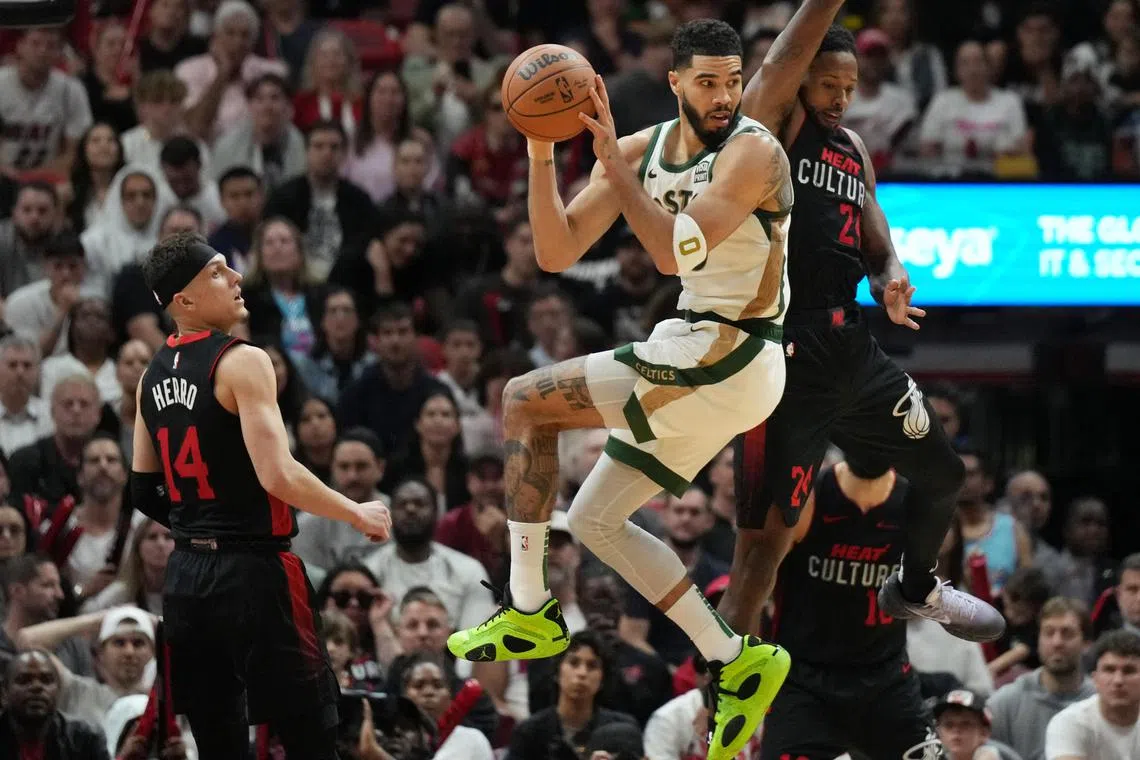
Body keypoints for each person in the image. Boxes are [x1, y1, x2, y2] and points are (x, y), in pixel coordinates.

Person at [446, 19, 795, 760]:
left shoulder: (754, 152)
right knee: (597, 521)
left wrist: (612, 164)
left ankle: (532, 607)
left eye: (734, 79)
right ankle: (737, 658)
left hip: (733, 348)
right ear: (674, 83)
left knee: (521, 400)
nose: (726, 94)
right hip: (703, 355)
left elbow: (671, 256)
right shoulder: (642, 148)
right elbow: (554, 248)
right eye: (708, 80)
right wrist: (544, 147)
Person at [719, 0, 1004, 643]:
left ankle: (916, 586)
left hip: (851, 346)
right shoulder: (774, 124)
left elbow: (873, 228)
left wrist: (892, 273)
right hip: (782, 355)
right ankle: (727, 681)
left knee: (945, 475)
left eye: (850, 88)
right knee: (763, 547)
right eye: (829, 84)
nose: (842, 99)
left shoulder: (851, 148)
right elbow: (781, 61)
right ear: (801, 81)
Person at [130, 232, 392, 758]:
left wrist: (196, 524)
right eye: (217, 272)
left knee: (218, 743)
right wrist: (354, 511)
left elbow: (141, 487)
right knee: (312, 733)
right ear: (183, 300)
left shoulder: (149, 376)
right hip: (254, 574)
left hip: (185, 579)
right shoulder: (242, 360)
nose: (236, 278)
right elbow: (278, 476)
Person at [759, 457, 942, 760]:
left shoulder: (914, 502)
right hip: (804, 680)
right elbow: (755, 590)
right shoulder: (808, 495)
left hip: (886, 679)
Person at [1044, 629, 1140, 760]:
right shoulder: (1069, 722)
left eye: (1129, 671)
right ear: (1095, 679)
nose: (1118, 680)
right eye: (1109, 670)